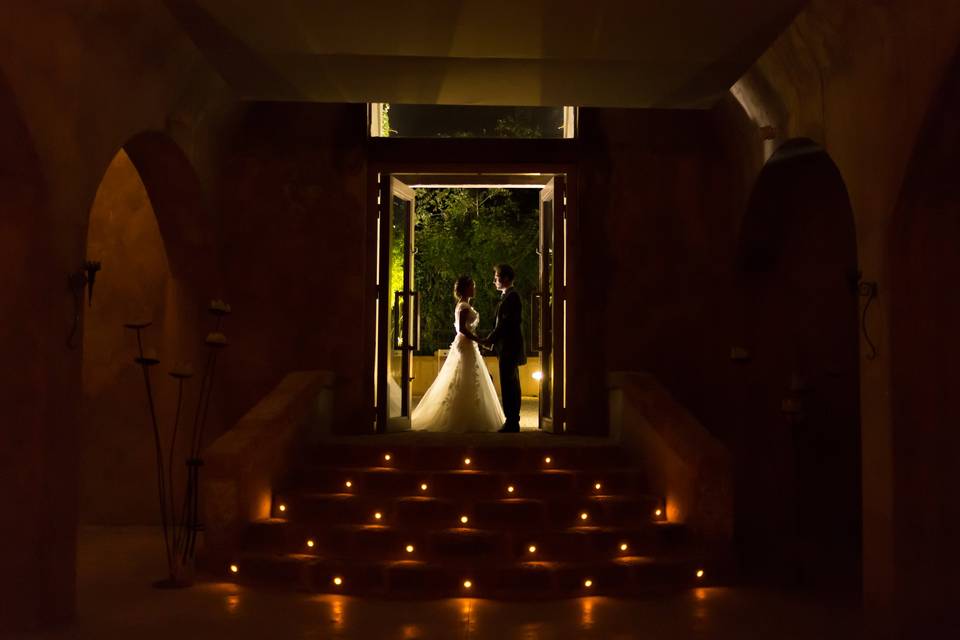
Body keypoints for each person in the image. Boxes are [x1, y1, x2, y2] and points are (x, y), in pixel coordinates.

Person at [411, 276, 505, 432]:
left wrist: (476, 341)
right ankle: (463, 415)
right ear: (465, 288)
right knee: (465, 376)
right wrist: (479, 340)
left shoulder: (464, 305)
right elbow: (462, 329)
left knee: (468, 376)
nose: (474, 288)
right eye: (472, 286)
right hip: (465, 344)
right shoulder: (463, 306)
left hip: (468, 344)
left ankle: (469, 413)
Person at [481, 264, 526, 432]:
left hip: (509, 348)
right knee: (511, 383)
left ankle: (512, 421)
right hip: (507, 347)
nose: (494, 281)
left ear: (506, 278)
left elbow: (505, 324)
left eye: (497, 277)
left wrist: (489, 340)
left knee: (510, 385)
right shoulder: (508, 296)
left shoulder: (511, 297)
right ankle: (512, 420)